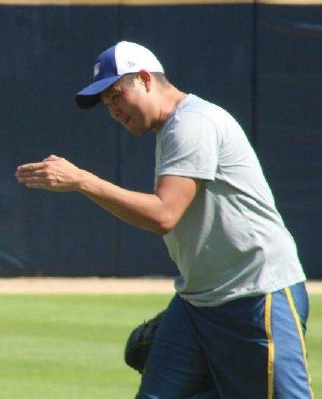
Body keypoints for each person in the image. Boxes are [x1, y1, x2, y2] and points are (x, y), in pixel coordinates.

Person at [16, 41, 310, 398]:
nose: (113, 109)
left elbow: (164, 215)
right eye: (106, 103)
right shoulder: (170, 129)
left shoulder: (193, 124)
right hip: (198, 303)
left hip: (257, 294)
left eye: (115, 94)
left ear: (143, 78)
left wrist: (82, 181)